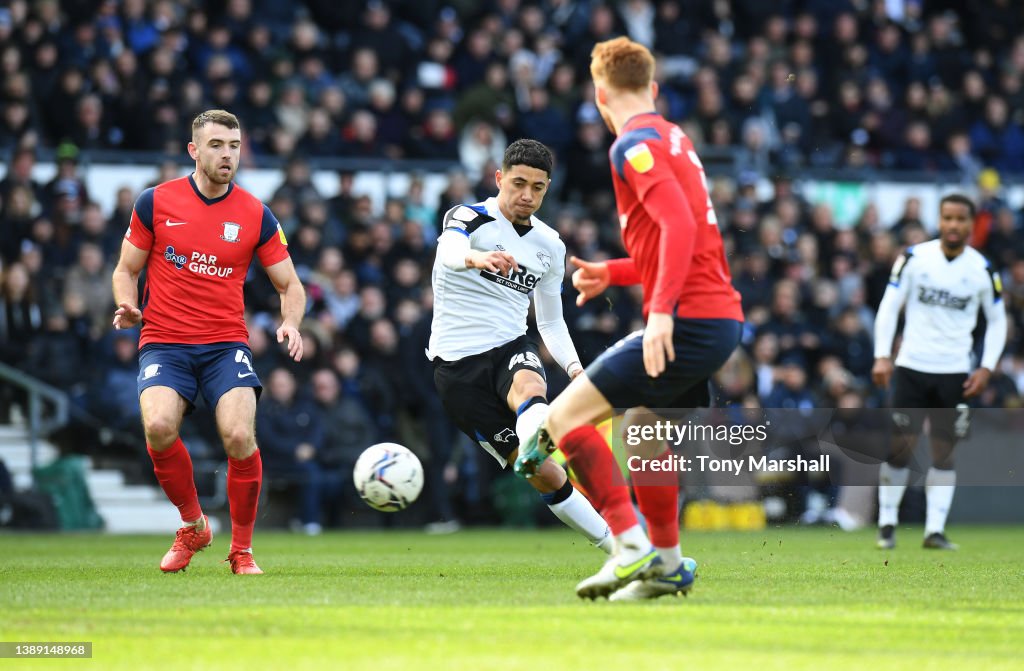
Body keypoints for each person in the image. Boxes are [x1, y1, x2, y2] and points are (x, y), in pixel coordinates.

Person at [515, 37, 744, 600]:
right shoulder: (673, 137)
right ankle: (666, 563)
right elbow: (679, 242)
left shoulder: (632, 147)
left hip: (686, 321)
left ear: (598, 95)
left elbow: (679, 232)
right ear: (653, 89)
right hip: (718, 320)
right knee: (644, 433)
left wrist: (661, 313)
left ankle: (629, 543)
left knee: (558, 427)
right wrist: (613, 275)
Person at [111, 109, 305, 575]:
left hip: (224, 345)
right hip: (164, 341)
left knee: (239, 437)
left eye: (234, 146)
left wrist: (291, 323)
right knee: (158, 427)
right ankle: (194, 525)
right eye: (217, 145)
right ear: (193, 151)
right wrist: (126, 304)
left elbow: (291, 285)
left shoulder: (255, 213)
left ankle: (241, 551)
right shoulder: (155, 203)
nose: (227, 155)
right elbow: (125, 270)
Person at [427, 138, 612, 552]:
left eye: (538, 187)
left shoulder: (550, 245)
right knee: (543, 474)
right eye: (518, 183)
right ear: (499, 179)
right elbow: (449, 251)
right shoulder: (467, 217)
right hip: (455, 370)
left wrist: (576, 369)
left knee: (530, 389)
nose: (527, 195)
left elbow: (549, 319)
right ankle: (610, 542)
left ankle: (625, 550)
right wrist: (478, 259)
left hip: (509, 345)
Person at [872, 194, 1007, 551]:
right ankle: (887, 524)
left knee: (944, 452)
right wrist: (882, 355)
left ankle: (934, 531)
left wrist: (987, 368)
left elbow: (997, 321)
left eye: (960, 219)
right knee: (902, 447)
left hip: (955, 373)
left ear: (970, 223)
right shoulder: (915, 257)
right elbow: (889, 307)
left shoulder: (982, 269)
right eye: (947, 218)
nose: (953, 225)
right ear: (940, 220)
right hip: (913, 366)